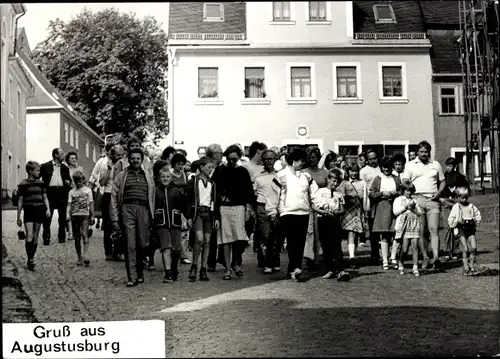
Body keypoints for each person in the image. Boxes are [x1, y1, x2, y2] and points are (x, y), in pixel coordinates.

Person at [110, 148, 155, 287]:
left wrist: (152, 215)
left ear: (142, 160)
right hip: (127, 209)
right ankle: (132, 276)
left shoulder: (147, 175)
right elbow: (113, 196)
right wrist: (115, 218)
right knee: (130, 243)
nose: (135, 160)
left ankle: (140, 270)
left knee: (143, 243)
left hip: (143, 210)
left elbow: (152, 196)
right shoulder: (121, 176)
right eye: (132, 158)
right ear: (128, 159)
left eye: (138, 158)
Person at [275, 147, 319, 282]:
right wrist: (276, 210)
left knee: (300, 242)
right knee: (292, 242)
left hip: (304, 212)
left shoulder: (306, 176)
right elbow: (275, 194)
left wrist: (322, 205)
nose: (303, 163)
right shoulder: (281, 175)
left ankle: (294, 269)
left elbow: (314, 193)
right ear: (294, 161)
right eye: (301, 161)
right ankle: (294, 268)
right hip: (287, 213)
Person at [213, 144, 255, 280]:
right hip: (224, 208)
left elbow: (249, 191)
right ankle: (227, 268)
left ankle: (235, 261)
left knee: (240, 238)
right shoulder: (219, 170)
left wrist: (248, 208)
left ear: (238, 158)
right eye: (229, 159)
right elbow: (214, 190)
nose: (231, 162)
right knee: (226, 239)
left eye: (234, 159)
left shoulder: (242, 171)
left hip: (239, 208)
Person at [404, 141, 446, 270]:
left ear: (429, 152)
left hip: (433, 200)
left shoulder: (435, 164)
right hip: (418, 199)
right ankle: (425, 257)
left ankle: (435, 257)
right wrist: (409, 186)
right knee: (421, 232)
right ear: (417, 152)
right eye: (421, 151)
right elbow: (404, 180)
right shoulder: (410, 165)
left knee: (434, 229)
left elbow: (442, 181)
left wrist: (439, 193)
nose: (424, 154)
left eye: (426, 152)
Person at [153, 164, 191, 283]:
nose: (165, 179)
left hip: (175, 223)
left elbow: (185, 205)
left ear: (171, 178)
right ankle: (168, 272)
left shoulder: (177, 191)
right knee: (166, 247)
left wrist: (188, 217)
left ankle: (174, 269)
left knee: (176, 249)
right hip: (161, 223)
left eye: (167, 176)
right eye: (163, 177)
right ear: (159, 178)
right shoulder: (155, 191)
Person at [313, 169, 350, 281]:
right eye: (333, 181)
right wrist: (323, 212)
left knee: (336, 245)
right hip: (323, 220)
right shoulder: (320, 192)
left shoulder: (339, 194)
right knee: (326, 245)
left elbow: (343, 209)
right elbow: (314, 206)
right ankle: (330, 269)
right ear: (328, 179)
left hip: (334, 221)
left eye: (337, 182)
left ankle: (340, 270)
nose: (335, 184)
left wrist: (336, 213)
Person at [187, 156, 218, 281]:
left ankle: (203, 268)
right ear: (201, 167)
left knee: (207, 240)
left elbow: (215, 202)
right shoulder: (194, 181)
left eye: (212, 167)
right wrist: (189, 216)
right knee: (199, 239)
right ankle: (194, 265)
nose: (211, 170)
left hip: (208, 214)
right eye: (209, 167)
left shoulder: (212, 183)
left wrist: (216, 217)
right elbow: (189, 200)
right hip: (198, 213)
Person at [16, 161, 51, 271]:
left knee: (36, 235)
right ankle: (30, 258)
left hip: (39, 210)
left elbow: (45, 197)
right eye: (37, 170)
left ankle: (31, 258)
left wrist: (48, 209)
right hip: (29, 211)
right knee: (29, 235)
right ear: (30, 171)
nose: (39, 172)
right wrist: (18, 216)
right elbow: (20, 201)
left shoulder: (41, 183)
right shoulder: (23, 184)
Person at [369, 156, 401, 270]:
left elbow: (402, 191)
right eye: (384, 167)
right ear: (381, 168)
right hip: (382, 208)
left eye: (388, 167)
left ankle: (393, 257)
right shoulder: (378, 178)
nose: (386, 170)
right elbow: (371, 194)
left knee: (396, 233)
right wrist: (382, 193)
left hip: (395, 207)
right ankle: (385, 260)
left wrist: (393, 194)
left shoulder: (396, 179)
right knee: (384, 235)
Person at [253, 149, 281, 274]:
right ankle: (266, 263)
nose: (269, 161)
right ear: (263, 160)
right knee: (265, 235)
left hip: (277, 207)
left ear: (275, 160)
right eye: (266, 159)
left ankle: (275, 261)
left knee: (276, 235)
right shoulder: (257, 176)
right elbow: (253, 194)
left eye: (271, 158)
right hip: (262, 207)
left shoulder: (280, 175)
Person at [338, 163, 369, 269]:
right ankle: (351, 257)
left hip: (358, 209)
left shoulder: (362, 183)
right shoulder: (344, 183)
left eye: (355, 171)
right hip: (348, 210)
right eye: (351, 171)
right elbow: (340, 196)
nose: (354, 173)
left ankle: (353, 256)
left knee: (355, 234)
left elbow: (365, 198)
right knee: (351, 233)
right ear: (348, 172)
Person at [303, 146, 328, 269]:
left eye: (313, 157)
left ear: (318, 158)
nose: (311, 159)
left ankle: (318, 258)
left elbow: (329, 189)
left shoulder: (324, 172)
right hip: (308, 205)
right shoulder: (303, 172)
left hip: (321, 205)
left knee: (320, 232)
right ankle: (309, 257)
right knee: (309, 231)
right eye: (309, 157)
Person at [40, 148, 72, 245]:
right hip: (50, 192)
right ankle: (46, 237)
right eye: (62, 153)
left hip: (62, 192)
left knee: (62, 216)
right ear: (56, 155)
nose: (64, 155)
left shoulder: (65, 168)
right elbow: (40, 179)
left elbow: (69, 180)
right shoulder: (45, 166)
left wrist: (68, 182)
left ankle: (61, 236)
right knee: (47, 216)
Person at [440, 157, 470, 259]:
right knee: (447, 227)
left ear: (455, 166)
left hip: (456, 201)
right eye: (447, 166)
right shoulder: (443, 176)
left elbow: (466, 189)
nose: (448, 168)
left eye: (451, 166)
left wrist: (457, 191)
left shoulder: (460, 177)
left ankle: (456, 250)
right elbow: (440, 188)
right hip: (445, 202)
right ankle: (447, 250)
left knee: (457, 226)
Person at [448, 187, 482, 276]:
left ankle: (471, 265)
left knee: (474, 247)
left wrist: (475, 222)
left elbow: (477, 214)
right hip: (461, 228)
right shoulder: (456, 207)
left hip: (470, 229)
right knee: (465, 249)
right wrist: (456, 222)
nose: (464, 199)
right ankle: (466, 267)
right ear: (458, 197)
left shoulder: (471, 206)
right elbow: (451, 218)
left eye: (466, 197)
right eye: (462, 197)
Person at [393, 180, 422, 276]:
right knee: (405, 248)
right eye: (406, 190)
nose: (409, 193)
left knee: (415, 246)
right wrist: (405, 207)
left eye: (410, 190)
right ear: (402, 190)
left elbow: (419, 213)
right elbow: (395, 212)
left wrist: (413, 208)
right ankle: (401, 262)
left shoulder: (414, 201)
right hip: (404, 225)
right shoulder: (398, 200)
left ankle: (415, 267)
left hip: (413, 223)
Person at [66, 171, 95, 267]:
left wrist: (93, 215)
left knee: (84, 233)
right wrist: (67, 214)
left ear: (83, 181)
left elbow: (91, 203)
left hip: (85, 215)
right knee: (77, 237)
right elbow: (69, 204)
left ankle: (86, 254)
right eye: (77, 181)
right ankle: (79, 256)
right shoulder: (71, 192)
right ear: (74, 182)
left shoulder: (88, 190)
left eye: (81, 181)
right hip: (75, 216)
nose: (79, 183)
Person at [206, 143, 225, 272]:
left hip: (221, 203)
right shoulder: (207, 167)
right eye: (220, 153)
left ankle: (222, 258)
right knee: (212, 233)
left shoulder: (223, 168)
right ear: (214, 155)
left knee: (222, 232)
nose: (222, 155)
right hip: (209, 204)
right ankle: (211, 261)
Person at [169, 153, 192, 265]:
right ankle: (175, 252)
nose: (180, 166)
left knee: (184, 231)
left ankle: (183, 255)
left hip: (183, 204)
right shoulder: (169, 173)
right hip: (173, 204)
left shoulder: (184, 174)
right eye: (178, 164)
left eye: (182, 164)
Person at [360, 149, 382, 263]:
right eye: (370, 159)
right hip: (371, 202)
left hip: (383, 200)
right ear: (367, 160)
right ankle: (374, 253)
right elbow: (362, 188)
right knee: (373, 228)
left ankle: (387, 253)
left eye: (374, 158)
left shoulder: (382, 168)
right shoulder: (364, 171)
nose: (373, 161)